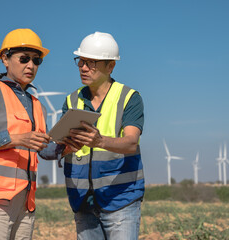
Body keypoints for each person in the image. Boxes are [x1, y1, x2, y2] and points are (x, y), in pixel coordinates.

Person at [0, 28, 52, 240]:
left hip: (25, 204)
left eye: (36, 60)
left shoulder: (37, 104)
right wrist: (16, 139)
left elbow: (45, 150)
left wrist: (68, 145)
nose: (30, 65)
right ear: (5, 58)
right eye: (24, 59)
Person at [63, 31, 145, 240]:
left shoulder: (129, 98)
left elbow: (131, 143)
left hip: (120, 200)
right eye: (81, 61)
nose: (83, 67)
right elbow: (63, 145)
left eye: (91, 63)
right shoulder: (71, 101)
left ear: (110, 66)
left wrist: (100, 141)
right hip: (82, 201)